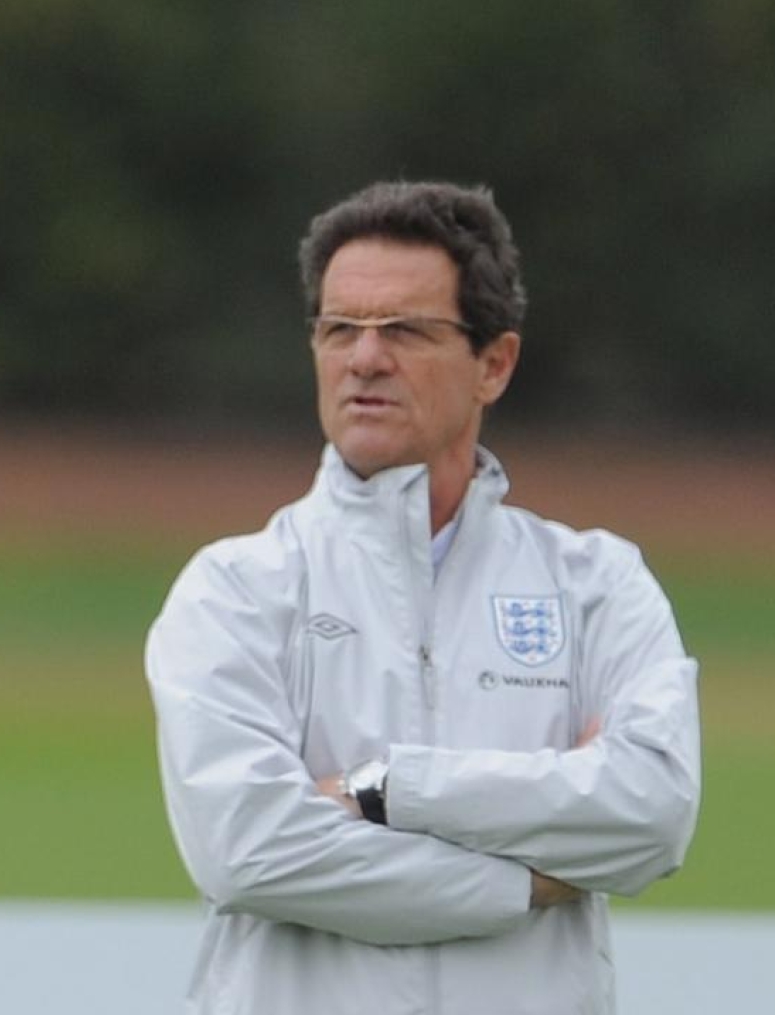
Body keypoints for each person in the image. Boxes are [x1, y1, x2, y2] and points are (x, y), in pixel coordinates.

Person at [142, 182, 700, 1014]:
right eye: (339, 329)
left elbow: (651, 816)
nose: (364, 358)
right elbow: (248, 851)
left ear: (494, 363)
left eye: (404, 329)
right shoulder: (235, 589)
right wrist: (529, 880)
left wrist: (384, 786)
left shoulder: (597, 584)